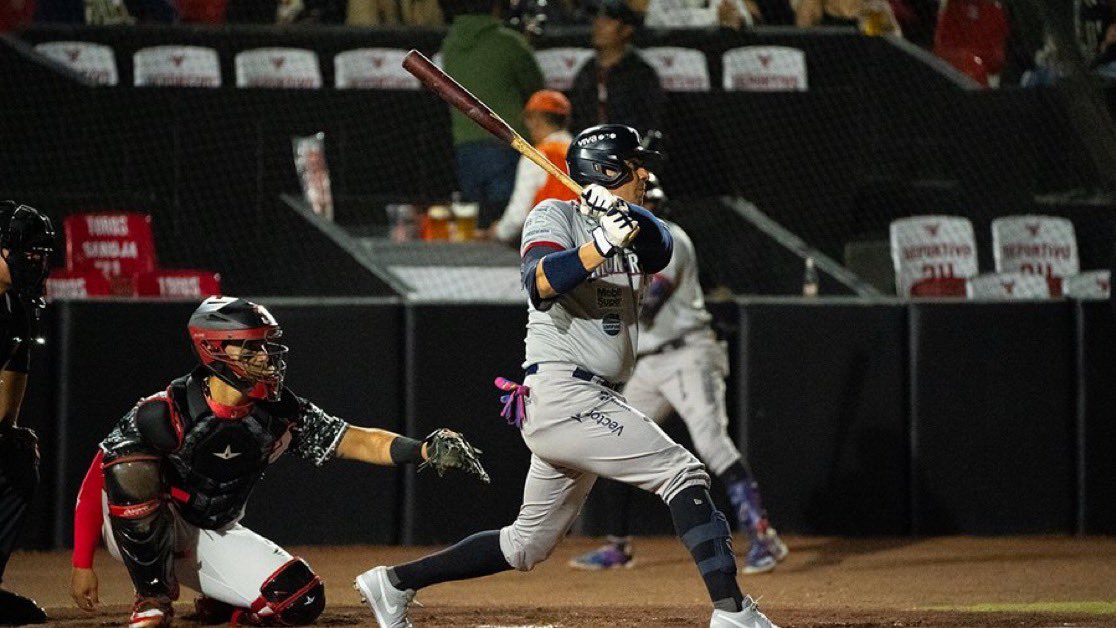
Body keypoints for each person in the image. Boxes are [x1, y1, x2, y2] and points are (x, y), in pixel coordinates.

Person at [354, 124, 778, 628]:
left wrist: (622, 215)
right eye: (634, 164)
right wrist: (599, 241)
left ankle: (393, 583)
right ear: (606, 169)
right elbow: (538, 282)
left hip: (590, 398)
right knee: (682, 472)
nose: (644, 173)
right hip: (564, 392)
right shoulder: (552, 213)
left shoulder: (639, 227)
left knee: (524, 545)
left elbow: (661, 247)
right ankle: (733, 614)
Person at [69, 296, 489, 628]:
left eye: (267, 347)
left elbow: (356, 440)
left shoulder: (278, 412)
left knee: (300, 600)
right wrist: (82, 564)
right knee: (129, 467)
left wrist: (423, 450)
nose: (266, 358)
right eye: (253, 348)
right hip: (138, 526)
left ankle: (219, 597)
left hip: (211, 529)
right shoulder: (167, 408)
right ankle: (153, 599)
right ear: (215, 349)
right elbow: (98, 477)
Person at [569, 175, 789, 574]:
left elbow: (647, 304)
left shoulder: (670, 240)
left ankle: (764, 538)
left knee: (712, 443)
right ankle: (618, 547)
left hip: (687, 353)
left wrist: (591, 285)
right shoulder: (620, 245)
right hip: (650, 362)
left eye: (646, 204)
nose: (640, 210)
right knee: (616, 441)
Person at [442, 0, 545, 227]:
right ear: (497, 7)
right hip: (505, 146)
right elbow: (536, 89)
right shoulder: (509, 42)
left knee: (475, 225)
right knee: (504, 224)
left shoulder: (449, 45)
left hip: (465, 148)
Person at [0, 201, 53, 626]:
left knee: (15, 456)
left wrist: (9, 430)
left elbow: (13, 372)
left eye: (39, 252)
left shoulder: (14, 306)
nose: (33, 260)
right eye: (22, 250)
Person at [484, 89, 577, 245]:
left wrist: (498, 232)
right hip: (589, 243)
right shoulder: (584, 152)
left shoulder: (537, 156)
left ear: (536, 120)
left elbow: (518, 216)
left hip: (552, 242)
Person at [568, 0, 664, 136]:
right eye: (597, 19)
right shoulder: (587, 71)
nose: (599, 25)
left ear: (626, 30)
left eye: (608, 21)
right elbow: (576, 118)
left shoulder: (640, 72)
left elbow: (651, 122)